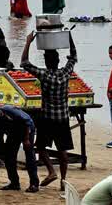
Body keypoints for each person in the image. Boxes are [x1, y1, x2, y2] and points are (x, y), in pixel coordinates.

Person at [21, 31, 77, 186]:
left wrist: (28, 43)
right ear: (58, 60)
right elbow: (73, 56)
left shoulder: (44, 74)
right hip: (63, 118)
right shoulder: (65, 73)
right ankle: (64, 180)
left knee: (40, 146)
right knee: (62, 150)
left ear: (46, 62)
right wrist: (68, 37)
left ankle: (51, 171)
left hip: (47, 117)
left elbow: (24, 63)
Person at [0, 103, 40, 192]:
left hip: (27, 129)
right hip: (12, 133)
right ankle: (14, 183)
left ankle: (34, 184)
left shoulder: (9, 110)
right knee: (9, 157)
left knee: (29, 156)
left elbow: (26, 121)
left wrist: (26, 139)